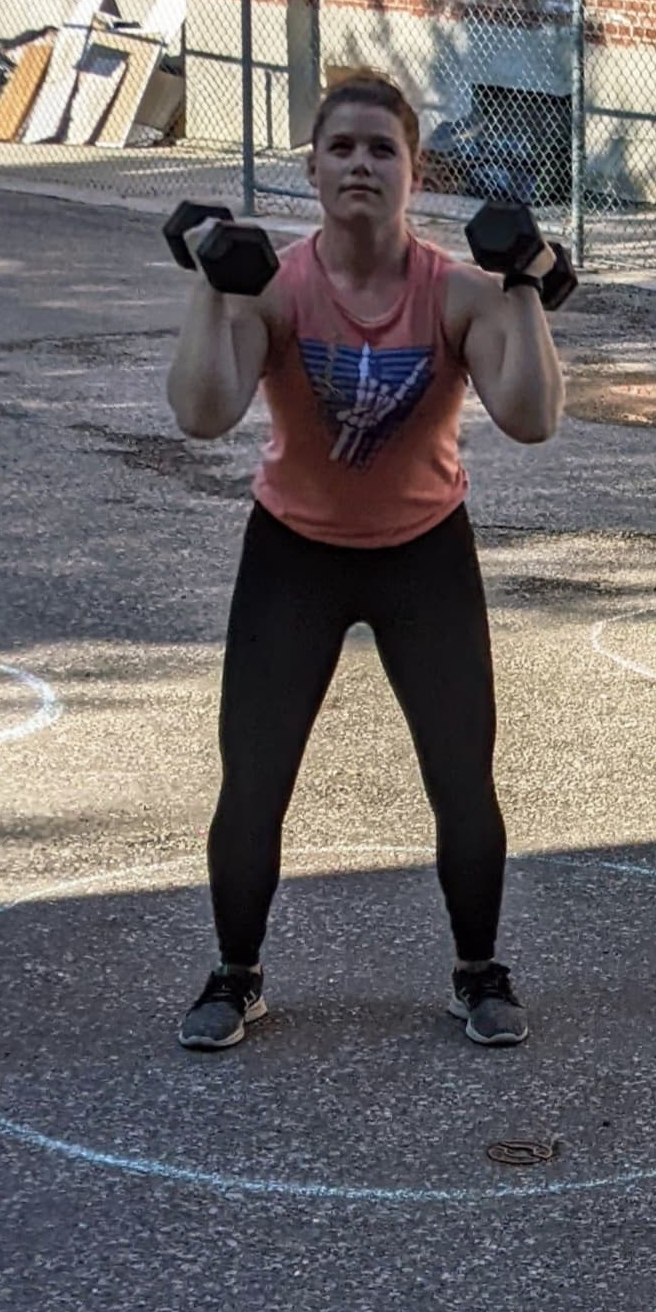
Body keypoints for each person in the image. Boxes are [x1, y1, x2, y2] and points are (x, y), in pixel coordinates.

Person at [164, 70, 566, 1052]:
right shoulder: (277, 289)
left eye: (380, 149)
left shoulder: (456, 293)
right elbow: (200, 411)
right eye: (341, 147)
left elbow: (531, 418)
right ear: (311, 168)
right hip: (293, 551)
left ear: (411, 170)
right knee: (253, 778)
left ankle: (478, 972)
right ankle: (235, 974)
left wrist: (526, 290)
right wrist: (209, 292)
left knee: (462, 777)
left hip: (422, 551)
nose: (360, 164)